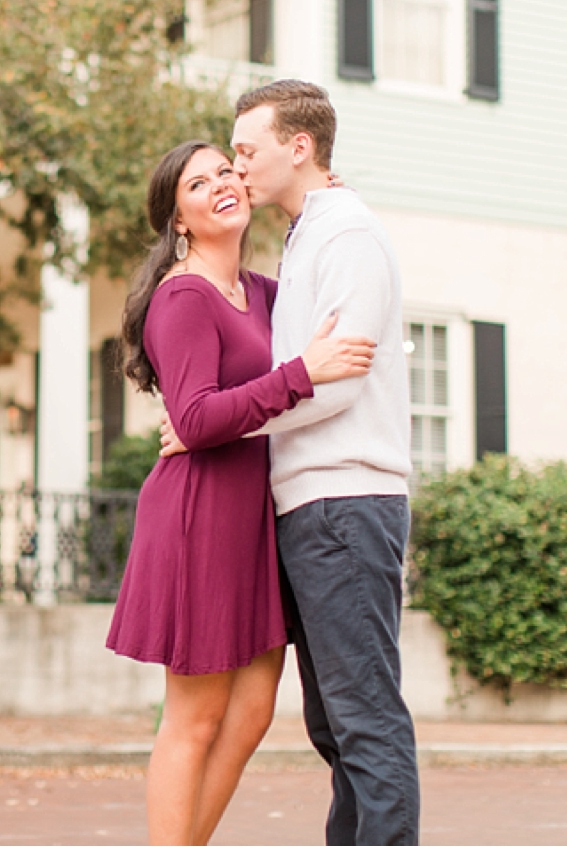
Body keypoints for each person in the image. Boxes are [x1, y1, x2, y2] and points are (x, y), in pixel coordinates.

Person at [161, 80, 421, 845]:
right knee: (336, 725)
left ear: (298, 147)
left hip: (346, 502)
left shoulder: (347, 236)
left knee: (364, 717)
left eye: (245, 150)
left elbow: (336, 381)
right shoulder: (304, 237)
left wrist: (225, 429)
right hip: (310, 508)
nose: (236, 168)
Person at [106, 139, 377, 846]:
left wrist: (324, 201)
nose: (221, 183)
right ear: (181, 219)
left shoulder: (263, 291)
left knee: (253, 712)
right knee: (194, 716)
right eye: (199, 183)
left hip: (256, 521)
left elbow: (319, 306)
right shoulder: (183, 295)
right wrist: (303, 372)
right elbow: (196, 418)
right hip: (199, 515)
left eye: (227, 169)